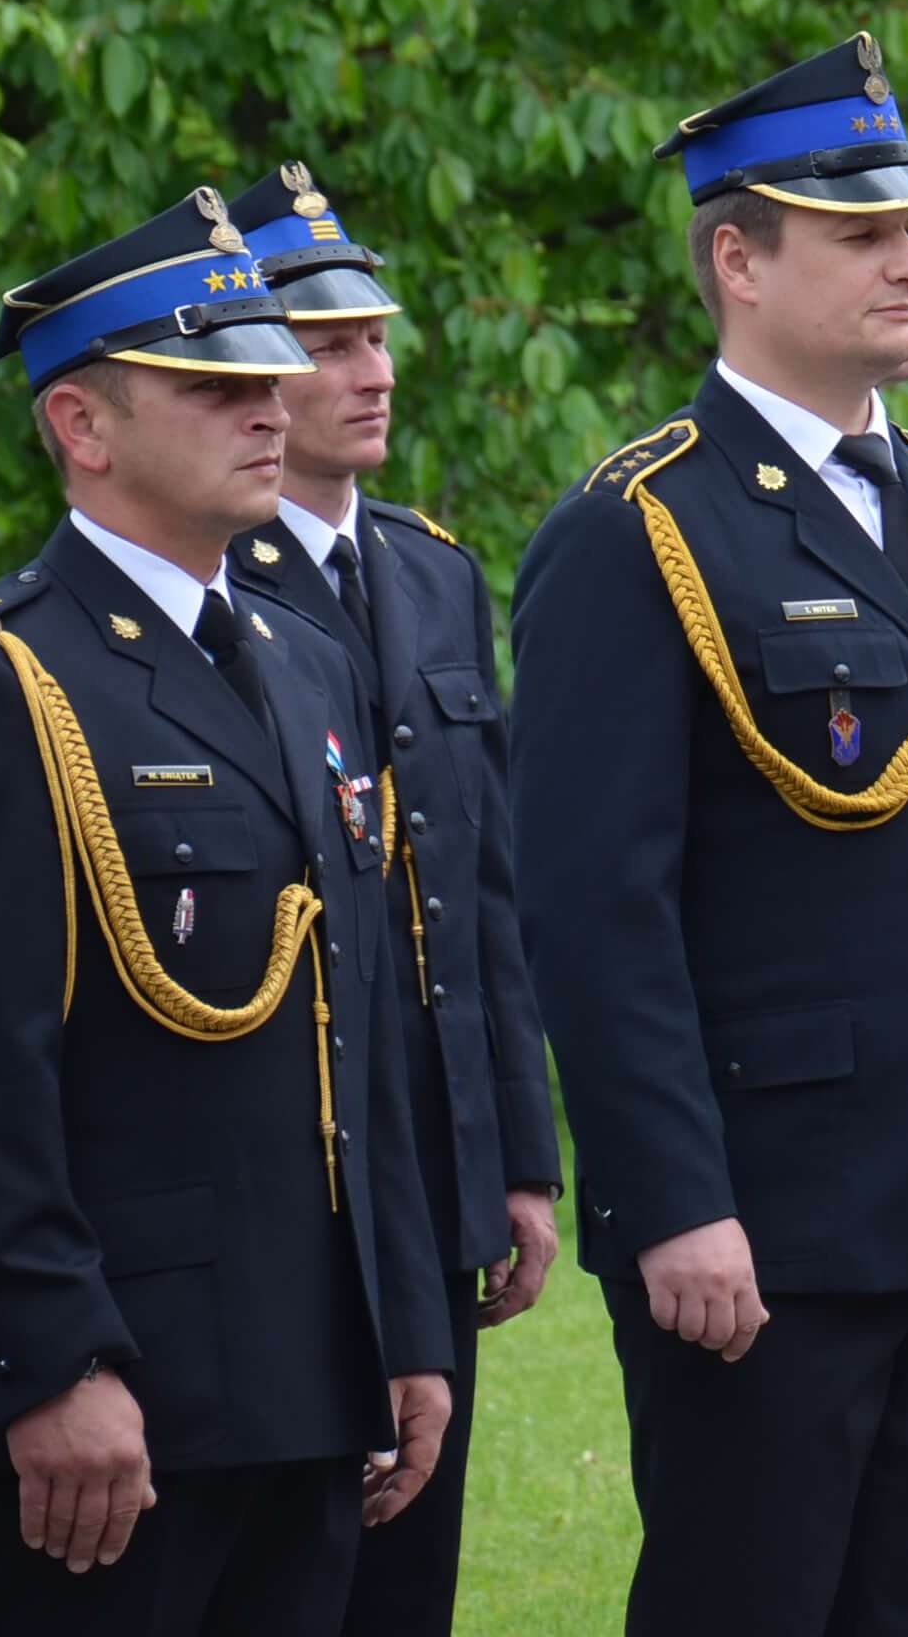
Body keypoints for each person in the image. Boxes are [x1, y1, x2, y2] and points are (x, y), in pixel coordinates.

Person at [511, 33, 908, 1637]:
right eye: (861, 234)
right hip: (761, 1212)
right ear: (737, 257)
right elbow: (597, 912)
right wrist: (672, 1196)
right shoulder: (637, 527)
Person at [0, 187, 452, 1635]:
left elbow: (356, 1023)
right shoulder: (0, 678)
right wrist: (55, 1361)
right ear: (84, 426)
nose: (271, 407)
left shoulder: (305, 661)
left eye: (270, 377)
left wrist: (401, 1322)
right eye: (216, 386)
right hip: (120, 1381)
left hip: (306, 1366)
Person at [218, 162, 560, 1637]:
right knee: (292, 1560)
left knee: (413, 1570)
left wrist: (520, 1154)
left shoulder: (429, 574)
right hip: (291, 1148)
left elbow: (484, 891)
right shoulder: (206, 571)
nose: (371, 370)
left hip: (431, 1150)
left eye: (376, 336)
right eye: (329, 343)